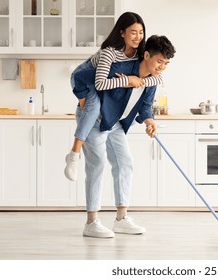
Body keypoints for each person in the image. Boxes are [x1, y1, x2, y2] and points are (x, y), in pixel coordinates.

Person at [73, 35, 176, 238]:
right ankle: (91, 222)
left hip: (116, 124)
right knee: (97, 165)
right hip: (96, 120)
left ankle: (121, 219)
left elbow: (145, 107)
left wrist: (150, 122)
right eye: (159, 61)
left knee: (125, 163)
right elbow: (95, 81)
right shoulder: (123, 66)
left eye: (166, 63)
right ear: (146, 55)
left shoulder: (152, 81)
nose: (162, 67)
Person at [64, 12, 163, 182]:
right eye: (133, 32)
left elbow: (155, 75)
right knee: (93, 105)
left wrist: (149, 116)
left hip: (102, 83)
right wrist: (127, 81)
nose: (138, 37)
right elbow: (100, 83)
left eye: (141, 32)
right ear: (122, 33)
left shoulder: (139, 55)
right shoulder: (109, 53)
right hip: (86, 79)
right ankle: (73, 155)